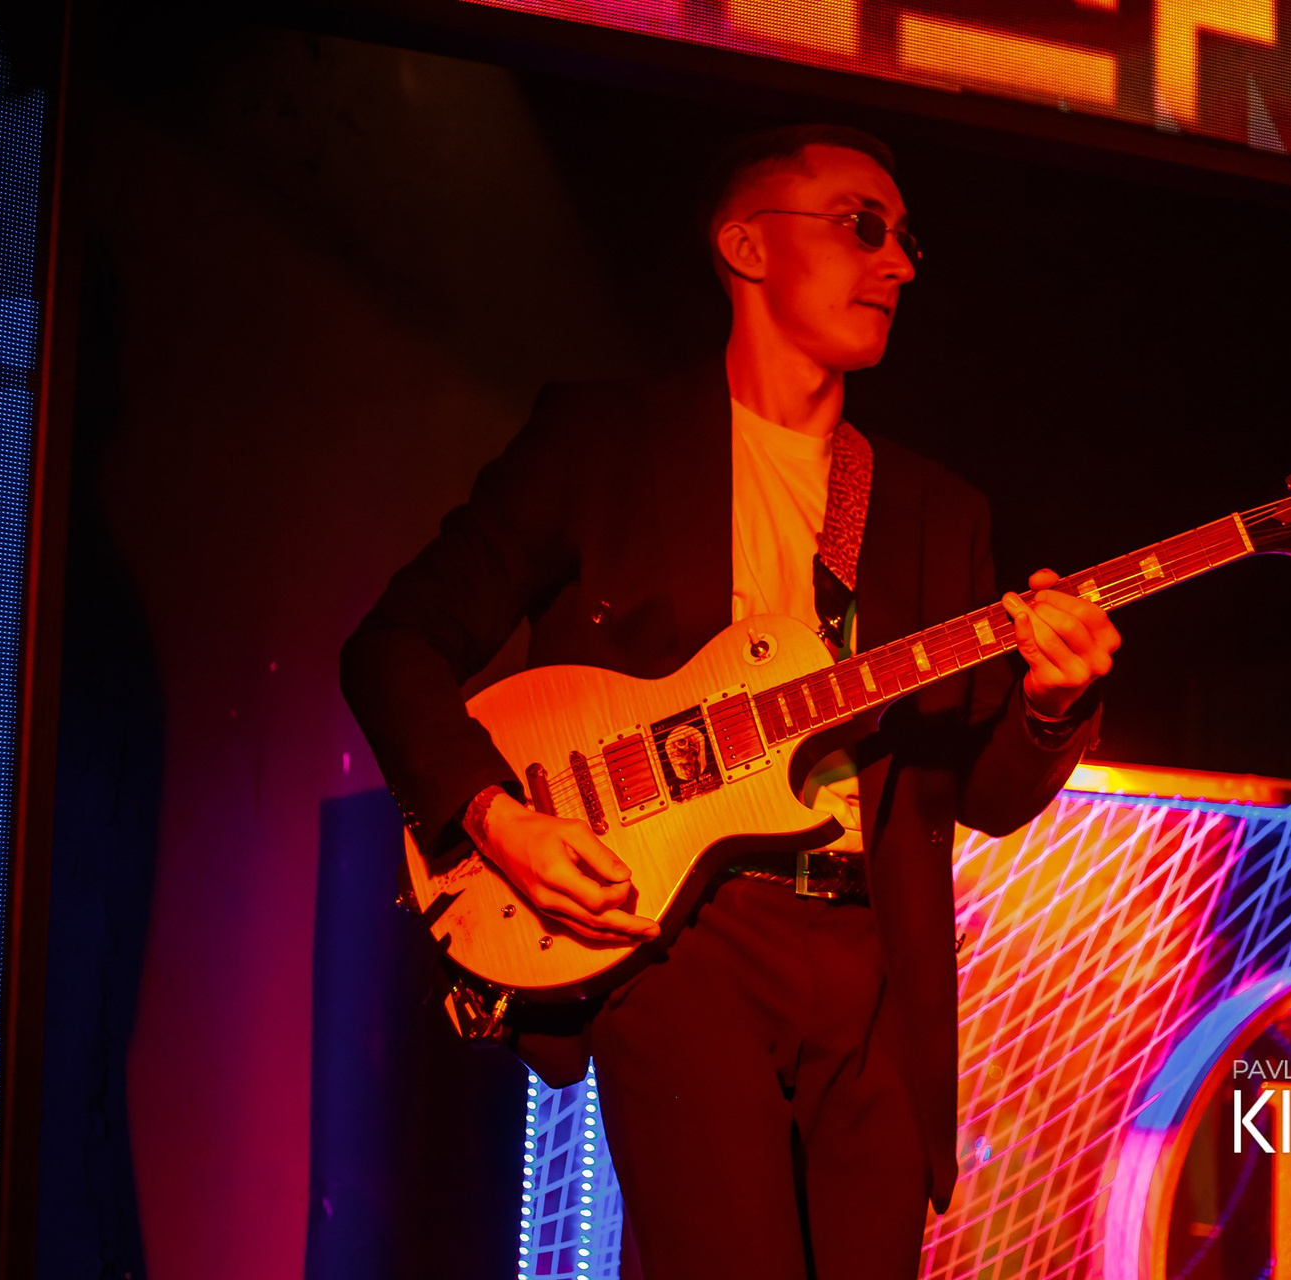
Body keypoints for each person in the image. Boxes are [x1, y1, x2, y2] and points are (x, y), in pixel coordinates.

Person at [339, 124, 1120, 1280]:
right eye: (863, 226)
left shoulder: (937, 510)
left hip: (877, 965)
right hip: (685, 940)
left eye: (907, 239)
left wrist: (1055, 702)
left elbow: (984, 793)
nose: (899, 263)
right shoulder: (601, 445)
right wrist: (498, 818)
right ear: (746, 246)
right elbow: (393, 646)